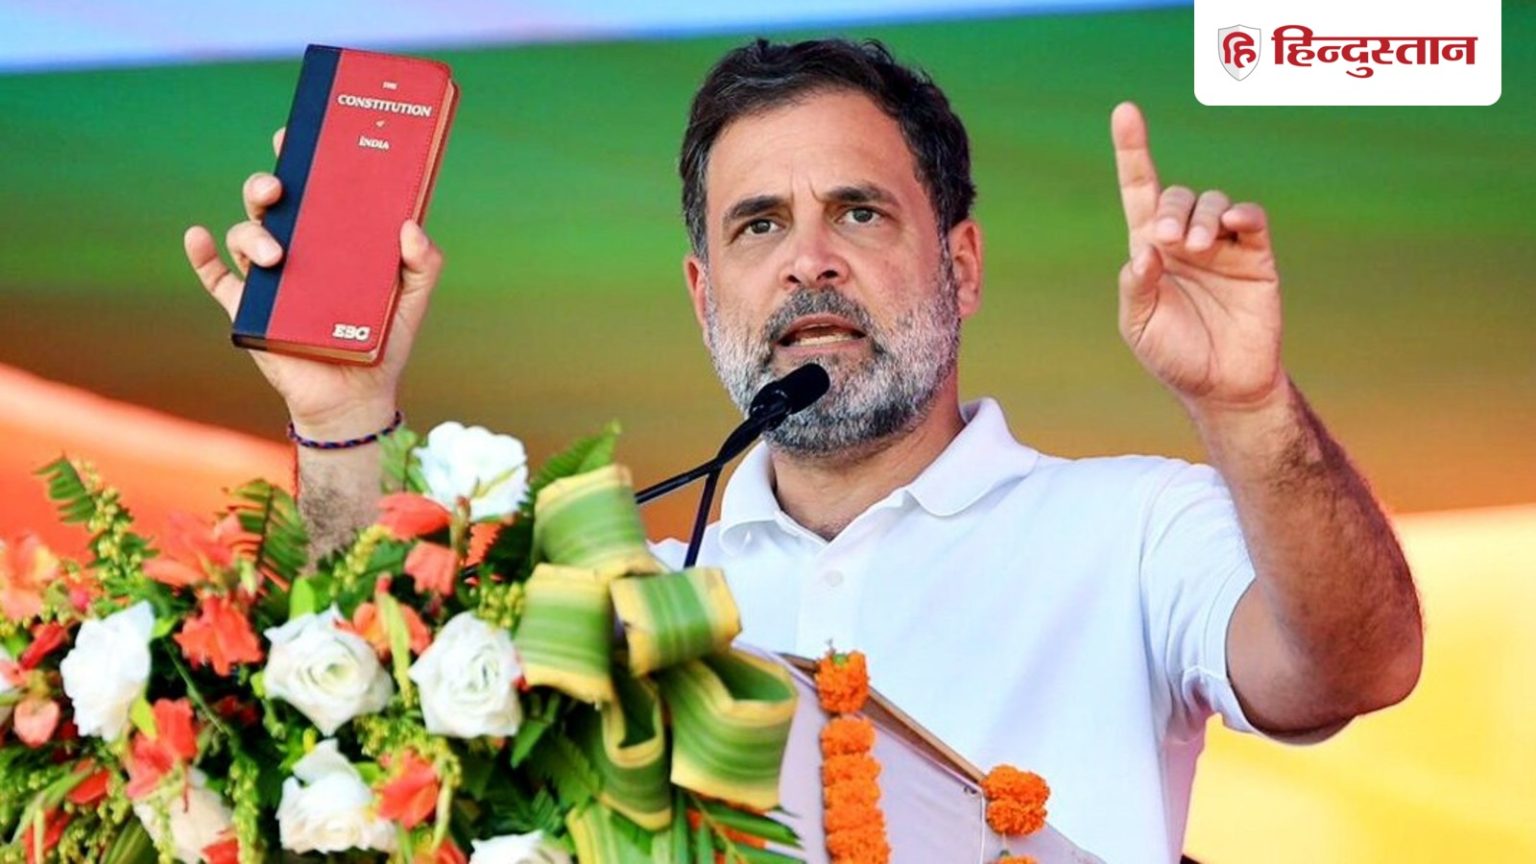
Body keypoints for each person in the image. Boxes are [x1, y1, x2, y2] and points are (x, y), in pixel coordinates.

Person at [184, 38, 1422, 863]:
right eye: (759, 224)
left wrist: (1248, 406)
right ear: (702, 293)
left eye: (859, 212)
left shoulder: (1135, 528)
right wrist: (342, 414)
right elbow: (386, 746)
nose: (807, 261)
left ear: (962, 265)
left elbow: (1357, 663)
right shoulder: (633, 609)